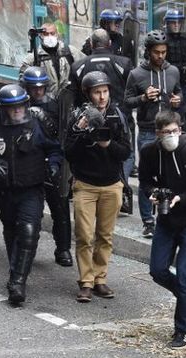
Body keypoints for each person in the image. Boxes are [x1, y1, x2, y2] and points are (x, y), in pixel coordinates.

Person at [0, 84, 62, 304]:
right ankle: (16, 270)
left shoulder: (38, 122)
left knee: (29, 231)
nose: (17, 111)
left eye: (20, 107)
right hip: (4, 189)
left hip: (32, 188)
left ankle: (18, 282)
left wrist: (54, 165)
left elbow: (55, 148)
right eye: (12, 108)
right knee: (11, 231)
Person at [139, 111, 186, 348]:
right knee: (157, 270)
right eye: (165, 132)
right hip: (166, 220)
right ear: (158, 134)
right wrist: (152, 193)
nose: (170, 136)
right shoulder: (150, 152)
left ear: (180, 129)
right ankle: (185, 295)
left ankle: (182, 330)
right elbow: (144, 181)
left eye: (174, 131)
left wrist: (181, 198)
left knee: (184, 271)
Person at [65, 71, 131, 303]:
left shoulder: (118, 116)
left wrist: (108, 144)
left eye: (105, 91)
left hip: (111, 184)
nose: (102, 97)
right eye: (97, 92)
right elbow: (68, 152)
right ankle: (85, 281)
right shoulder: (78, 116)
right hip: (85, 184)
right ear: (88, 94)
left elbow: (126, 152)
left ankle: (99, 279)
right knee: (84, 235)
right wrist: (81, 132)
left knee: (105, 235)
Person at [124, 30, 181, 238]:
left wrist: (178, 100)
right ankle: (148, 221)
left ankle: (167, 214)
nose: (161, 56)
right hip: (148, 130)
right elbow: (127, 101)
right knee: (147, 177)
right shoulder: (136, 74)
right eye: (157, 52)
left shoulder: (173, 71)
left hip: (169, 130)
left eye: (164, 52)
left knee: (171, 175)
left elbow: (179, 91)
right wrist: (143, 98)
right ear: (148, 52)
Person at [20, 66, 73, 267]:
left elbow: (61, 131)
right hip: (28, 161)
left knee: (60, 208)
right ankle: (27, 246)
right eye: (34, 88)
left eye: (41, 87)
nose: (37, 92)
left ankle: (63, 248)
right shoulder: (19, 104)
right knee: (30, 211)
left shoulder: (54, 104)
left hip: (52, 159)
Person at [69, 28, 134, 178]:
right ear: (109, 43)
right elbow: (131, 92)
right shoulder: (124, 63)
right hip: (120, 119)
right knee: (125, 153)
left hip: (89, 121)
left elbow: (73, 96)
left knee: (92, 154)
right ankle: (121, 184)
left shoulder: (78, 66)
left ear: (91, 44)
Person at [21, 22, 84, 97]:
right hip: (45, 102)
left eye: (52, 33)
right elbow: (22, 83)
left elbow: (85, 65)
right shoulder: (33, 58)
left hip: (67, 100)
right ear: (40, 36)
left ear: (57, 34)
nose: (49, 36)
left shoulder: (70, 51)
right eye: (46, 34)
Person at [163, 9, 186, 110]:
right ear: (167, 24)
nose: (176, 25)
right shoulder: (162, 39)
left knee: (185, 110)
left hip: (182, 82)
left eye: (179, 22)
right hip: (166, 82)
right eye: (173, 22)